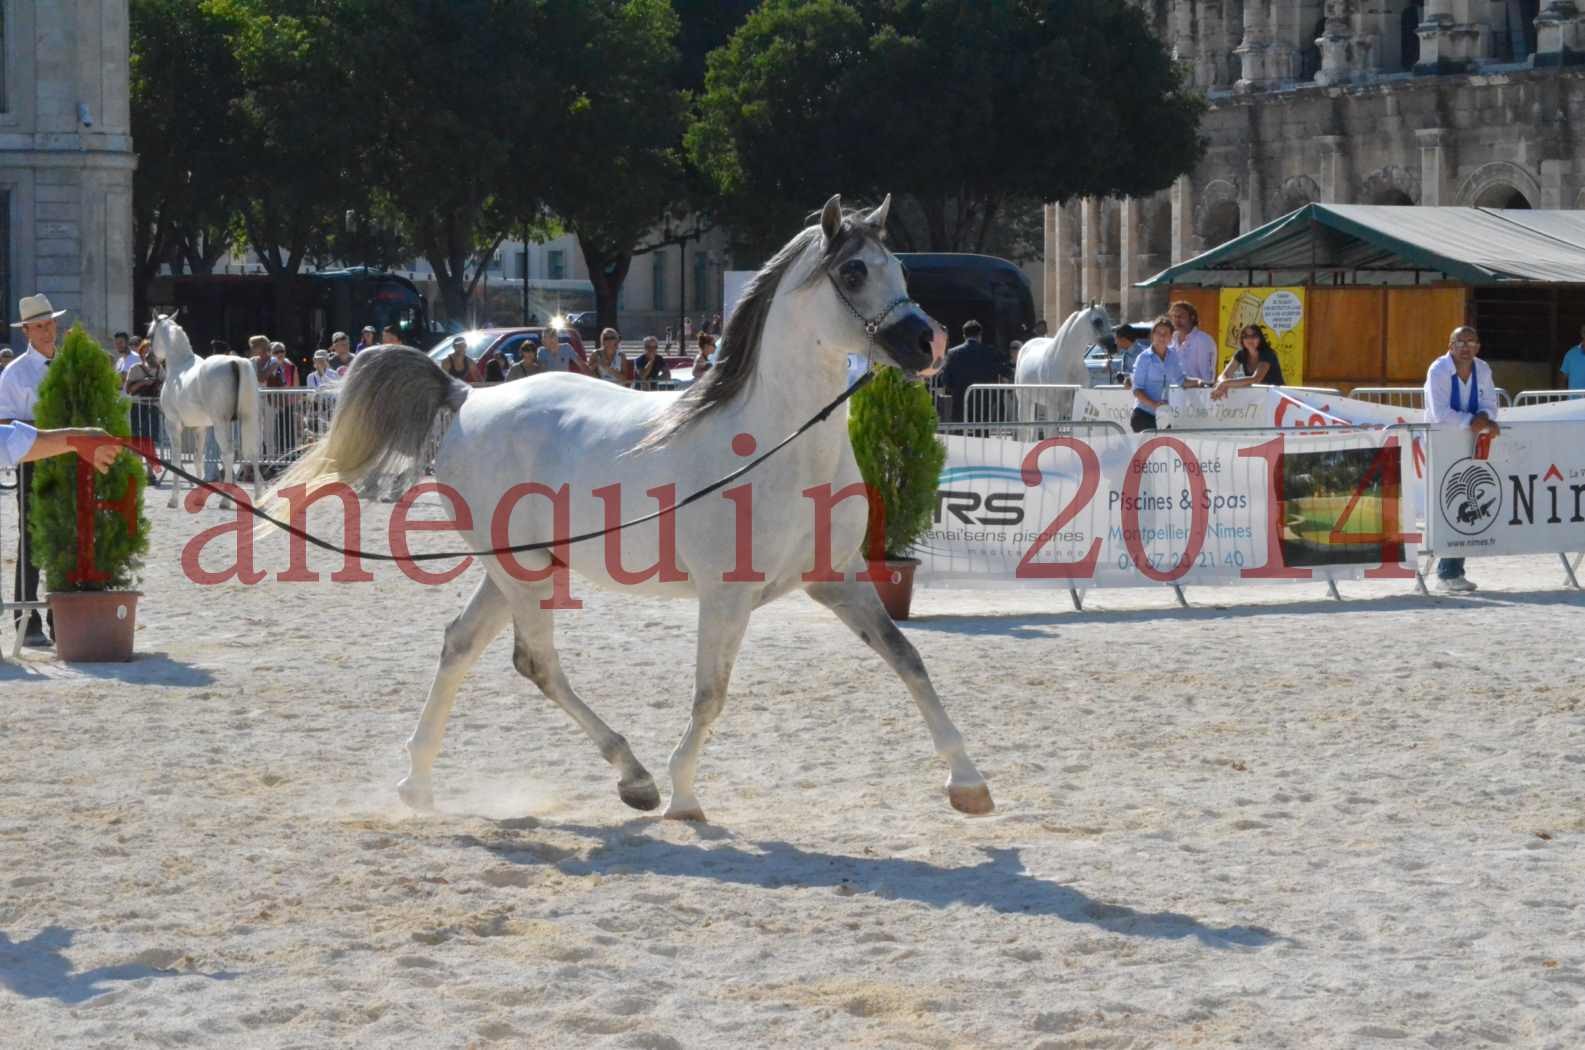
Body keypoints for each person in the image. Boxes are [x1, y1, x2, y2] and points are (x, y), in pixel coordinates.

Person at [0, 294, 71, 645]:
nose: (47, 331)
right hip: (32, 461)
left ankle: (63, 620)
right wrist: (45, 426)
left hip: (68, 460)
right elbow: (4, 421)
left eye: (50, 324)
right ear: (27, 330)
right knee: (32, 540)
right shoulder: (14, 373)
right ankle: (26, 623)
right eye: (39, 326)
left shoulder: (68, 366)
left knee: (67, 538)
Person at [1425, 325, 1500, 593]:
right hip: (1443, 443)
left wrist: (1486, 418)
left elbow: (1491, 402)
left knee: (1469, 503)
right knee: (1449, 504)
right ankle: (1446, 572)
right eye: (1460, 342)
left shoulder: (1483, 368)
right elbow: (1440, 412)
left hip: (1471, 441)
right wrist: (1474, 421)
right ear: (1450, 345)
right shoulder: (1438, 370)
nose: (1466, 347)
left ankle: (1452, 571)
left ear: (1478, 346)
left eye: (1472, 341)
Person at [1130, 316, 1203, 433]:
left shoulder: (1172, 356)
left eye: (1166, 333)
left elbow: (1182, 380)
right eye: (1159, 333)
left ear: (1171, 337)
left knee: (1165, 450)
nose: (1162, 336)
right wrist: (1153, 404)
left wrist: (1200, 382)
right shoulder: (1143, 358)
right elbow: (1137, 389)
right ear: (1153, 335)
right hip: (1143, 415)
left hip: (1164, 416)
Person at [938, 319, 1010, 423]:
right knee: (981, 436)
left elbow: (946, 380)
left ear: (964, 335)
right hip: (983, 403)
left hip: (960, 402)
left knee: (961, 435)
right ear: (980, 335)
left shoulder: (952, 353)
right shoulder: (989, 352)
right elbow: (1003, 371)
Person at [124, 338, 165, 484]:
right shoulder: (135, 368)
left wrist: (157, 385)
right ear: (141, 353)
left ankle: (150, 473)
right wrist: (142, 382)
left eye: (151, 351)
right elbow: (129, 389)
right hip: (138, 406)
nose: (148, 354)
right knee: (137, 439)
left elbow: (164, 389)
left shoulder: (160, 369)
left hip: (152, 406)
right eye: (145, 351)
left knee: (150, 440)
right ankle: (136, 473)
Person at [1212, 324, 1286, 399]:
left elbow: (1256, 379)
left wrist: (1226, 383)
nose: (1250, 339)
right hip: (1258, 398)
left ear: (1260, 338)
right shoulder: (1241, 354)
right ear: (1242, 339)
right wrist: (1222, 384)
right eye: (1246, 336)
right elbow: (1224, 375)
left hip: (1277, 397)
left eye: (1254, 336)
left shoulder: (1267, 354)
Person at [1168, 300, 1217, 385]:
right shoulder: (1170, 339)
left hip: (1197, 393)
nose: (1177, 320)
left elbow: (1207, 376)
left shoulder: (1203, 340)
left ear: (1192, 317)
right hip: (1173, 393)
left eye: (1181, 316)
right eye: (1174, 316)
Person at [1560, 323, 1585, 390]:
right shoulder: (1570, 354)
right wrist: (1562, 398)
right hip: (1574, 400)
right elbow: (1563, 379)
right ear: (1582, 334)